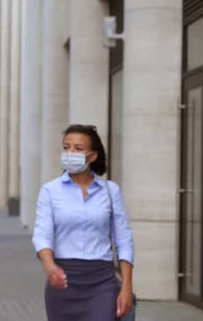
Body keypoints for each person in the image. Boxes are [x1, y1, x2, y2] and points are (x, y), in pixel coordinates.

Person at [32, 124, 134, 321]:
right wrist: (50, 267)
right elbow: (42, 235)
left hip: (102, 281)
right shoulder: (50, 191)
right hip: (63, 281)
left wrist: (127, 286)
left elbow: (124, 241)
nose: (70, 153)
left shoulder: (110, 191)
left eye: (78, 149)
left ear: (92, 156)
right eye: (66, 147)